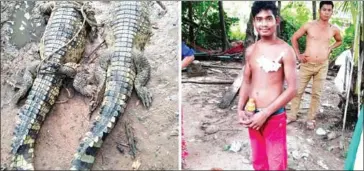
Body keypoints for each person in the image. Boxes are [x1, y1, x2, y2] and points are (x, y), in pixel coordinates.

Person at [237, 1, 297, 170]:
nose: (264, 24)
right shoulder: (251, 50)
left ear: (276, 20)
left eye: (268, 18)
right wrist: (240, 109)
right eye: (259, 19)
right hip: (252, 114)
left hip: (273, 116)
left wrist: (265, 113)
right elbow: (247, 81)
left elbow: (292, 89)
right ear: (254, 22)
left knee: (276, 163)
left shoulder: (285, 50)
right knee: (259, 161)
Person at [288, 1, 342, 130]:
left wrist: (330, 48)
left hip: (322, 66)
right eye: (324, 9)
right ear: (319, 11)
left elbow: (340, 41)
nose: (327, 12)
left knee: (316, 94)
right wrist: (298, 55)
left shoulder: (333, 29)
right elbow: (294, 38)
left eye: (329, 10)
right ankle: (292, 115)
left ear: (332, 12)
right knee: (298, 90)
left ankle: (310, 119)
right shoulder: (309, 25)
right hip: (306, 64)